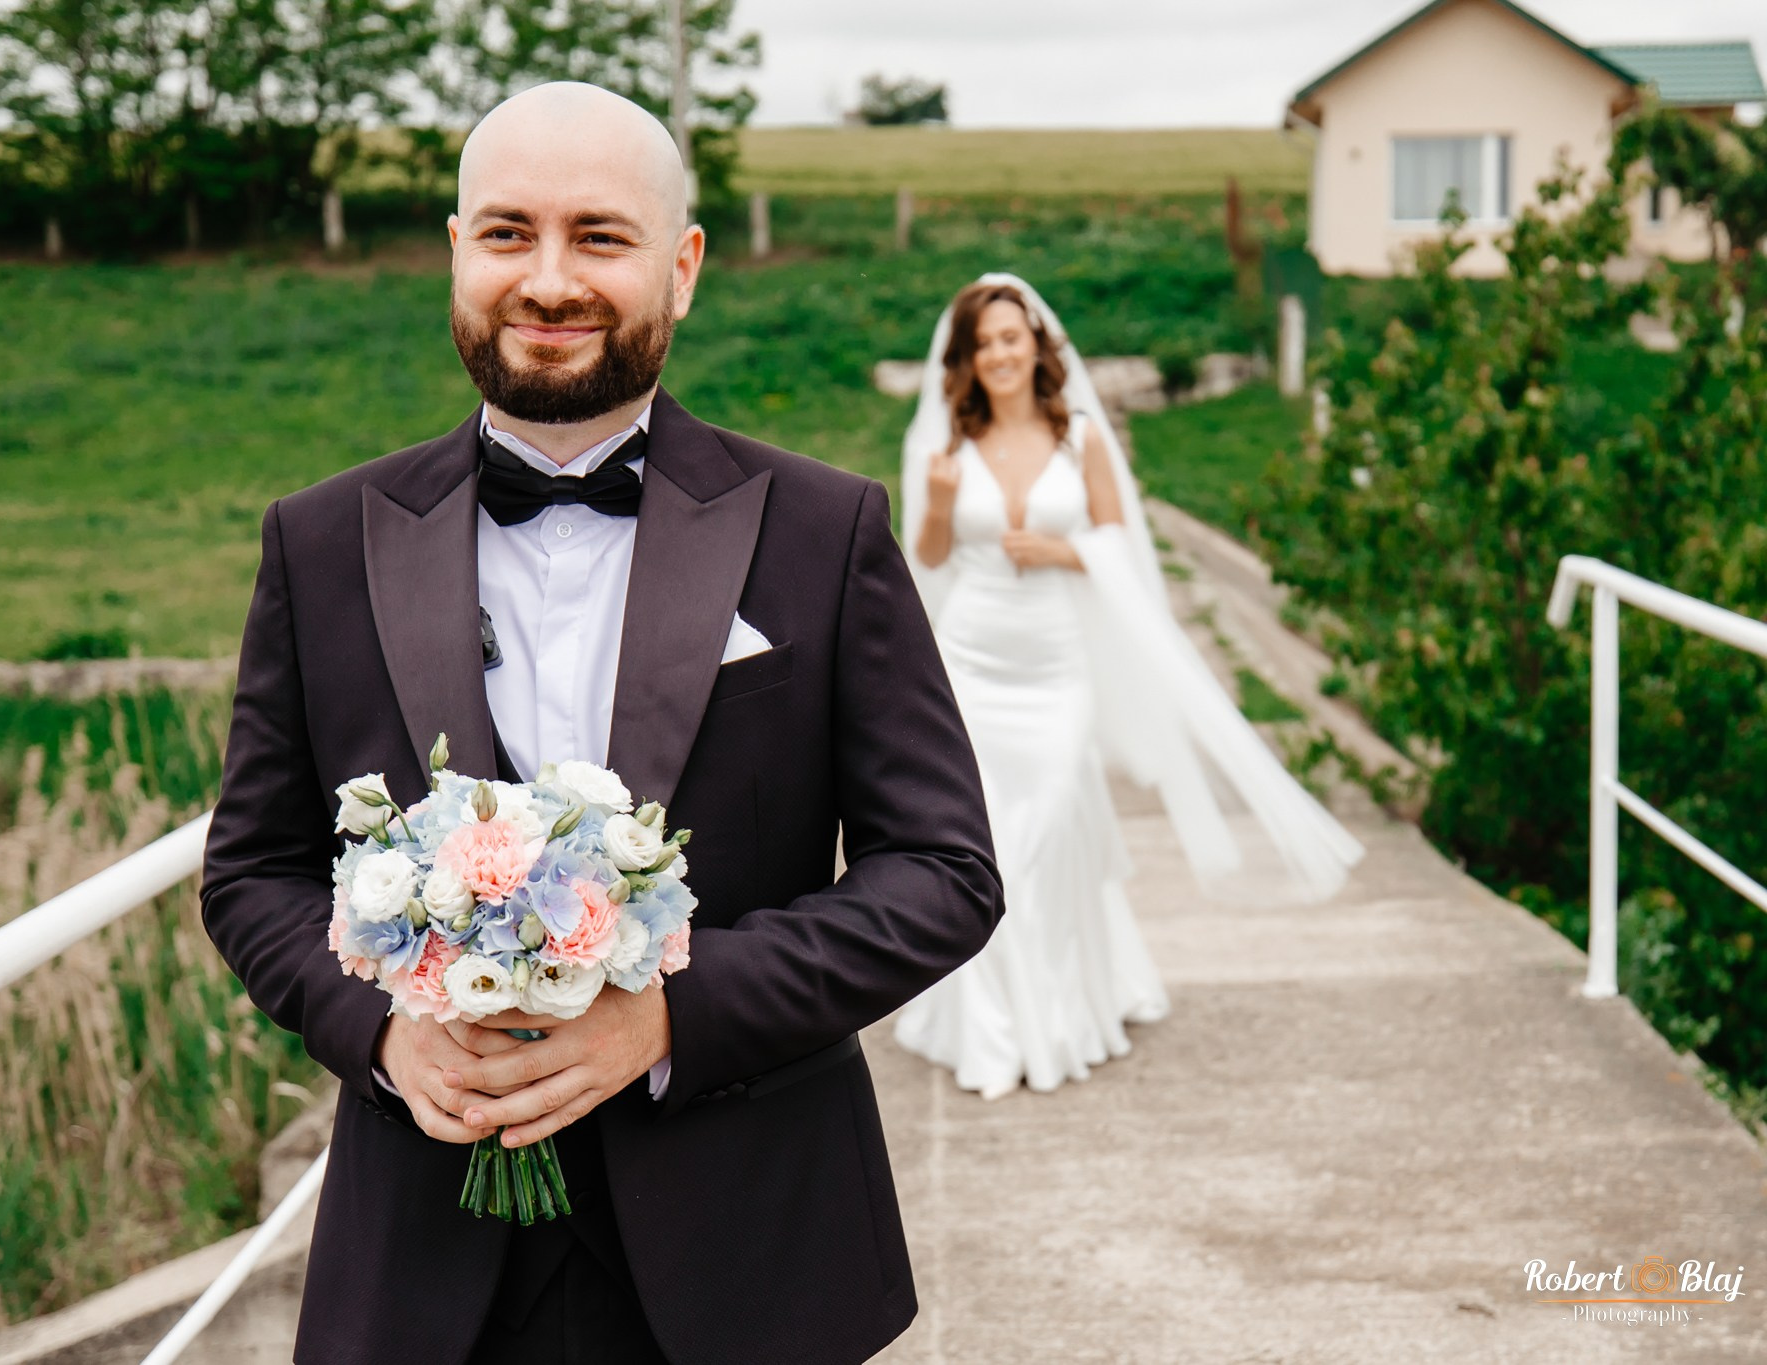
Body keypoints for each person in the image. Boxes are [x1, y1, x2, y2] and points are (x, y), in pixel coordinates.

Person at [199, 83, 1001, 1365]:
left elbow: (944, 876)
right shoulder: (317, 540)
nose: (549, 279)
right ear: (455, 251)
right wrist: (387, 1036)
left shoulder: (821, 529)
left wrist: (673, 1015)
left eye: (600, 237)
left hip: (752, 1255)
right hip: (419, 1267)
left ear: (680, 269)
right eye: (508, 233)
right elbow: (250, 874)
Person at [892, 274, 1363, 1101]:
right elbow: (928, 559)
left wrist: (1063, 552)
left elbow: (1116, 536)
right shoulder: (947, 446)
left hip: (1057, 668)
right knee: (988, 845)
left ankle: (1060, 1013)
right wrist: (934, 503)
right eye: (984, 344)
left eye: (1012, 337)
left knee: (1043, 837)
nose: (1000, 354)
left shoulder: (1078, 437)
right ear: (964, 359)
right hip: (972, 662)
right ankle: (995, 1027)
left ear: (1036, 345)